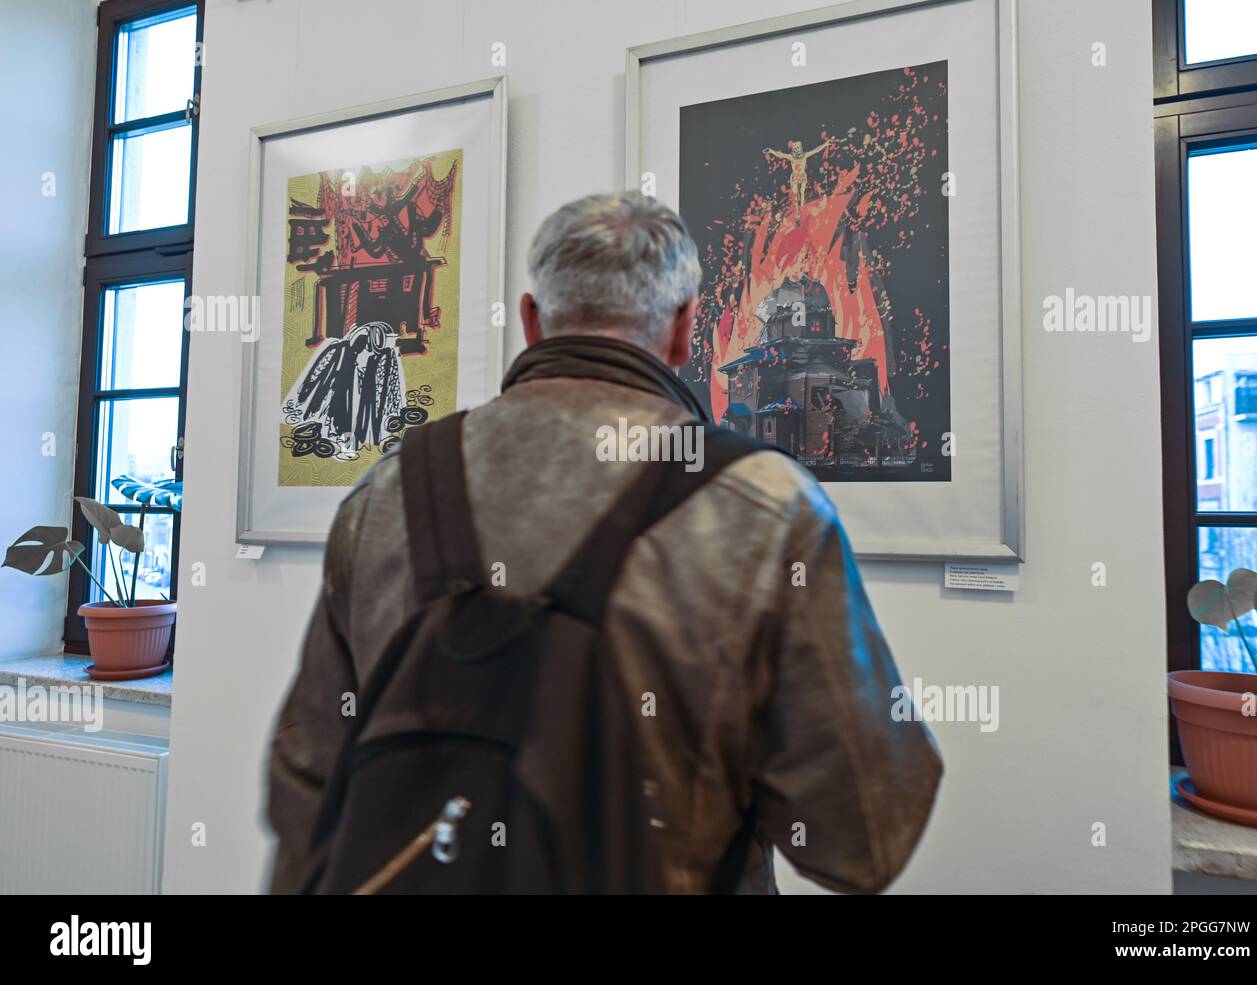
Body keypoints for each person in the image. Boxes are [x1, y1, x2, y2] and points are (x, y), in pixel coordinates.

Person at [267, 190, 942, 894]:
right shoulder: (768, 509)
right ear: (685, 329)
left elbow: (306, 789)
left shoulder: (388, 495)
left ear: (532, 320)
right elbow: (862, 839)